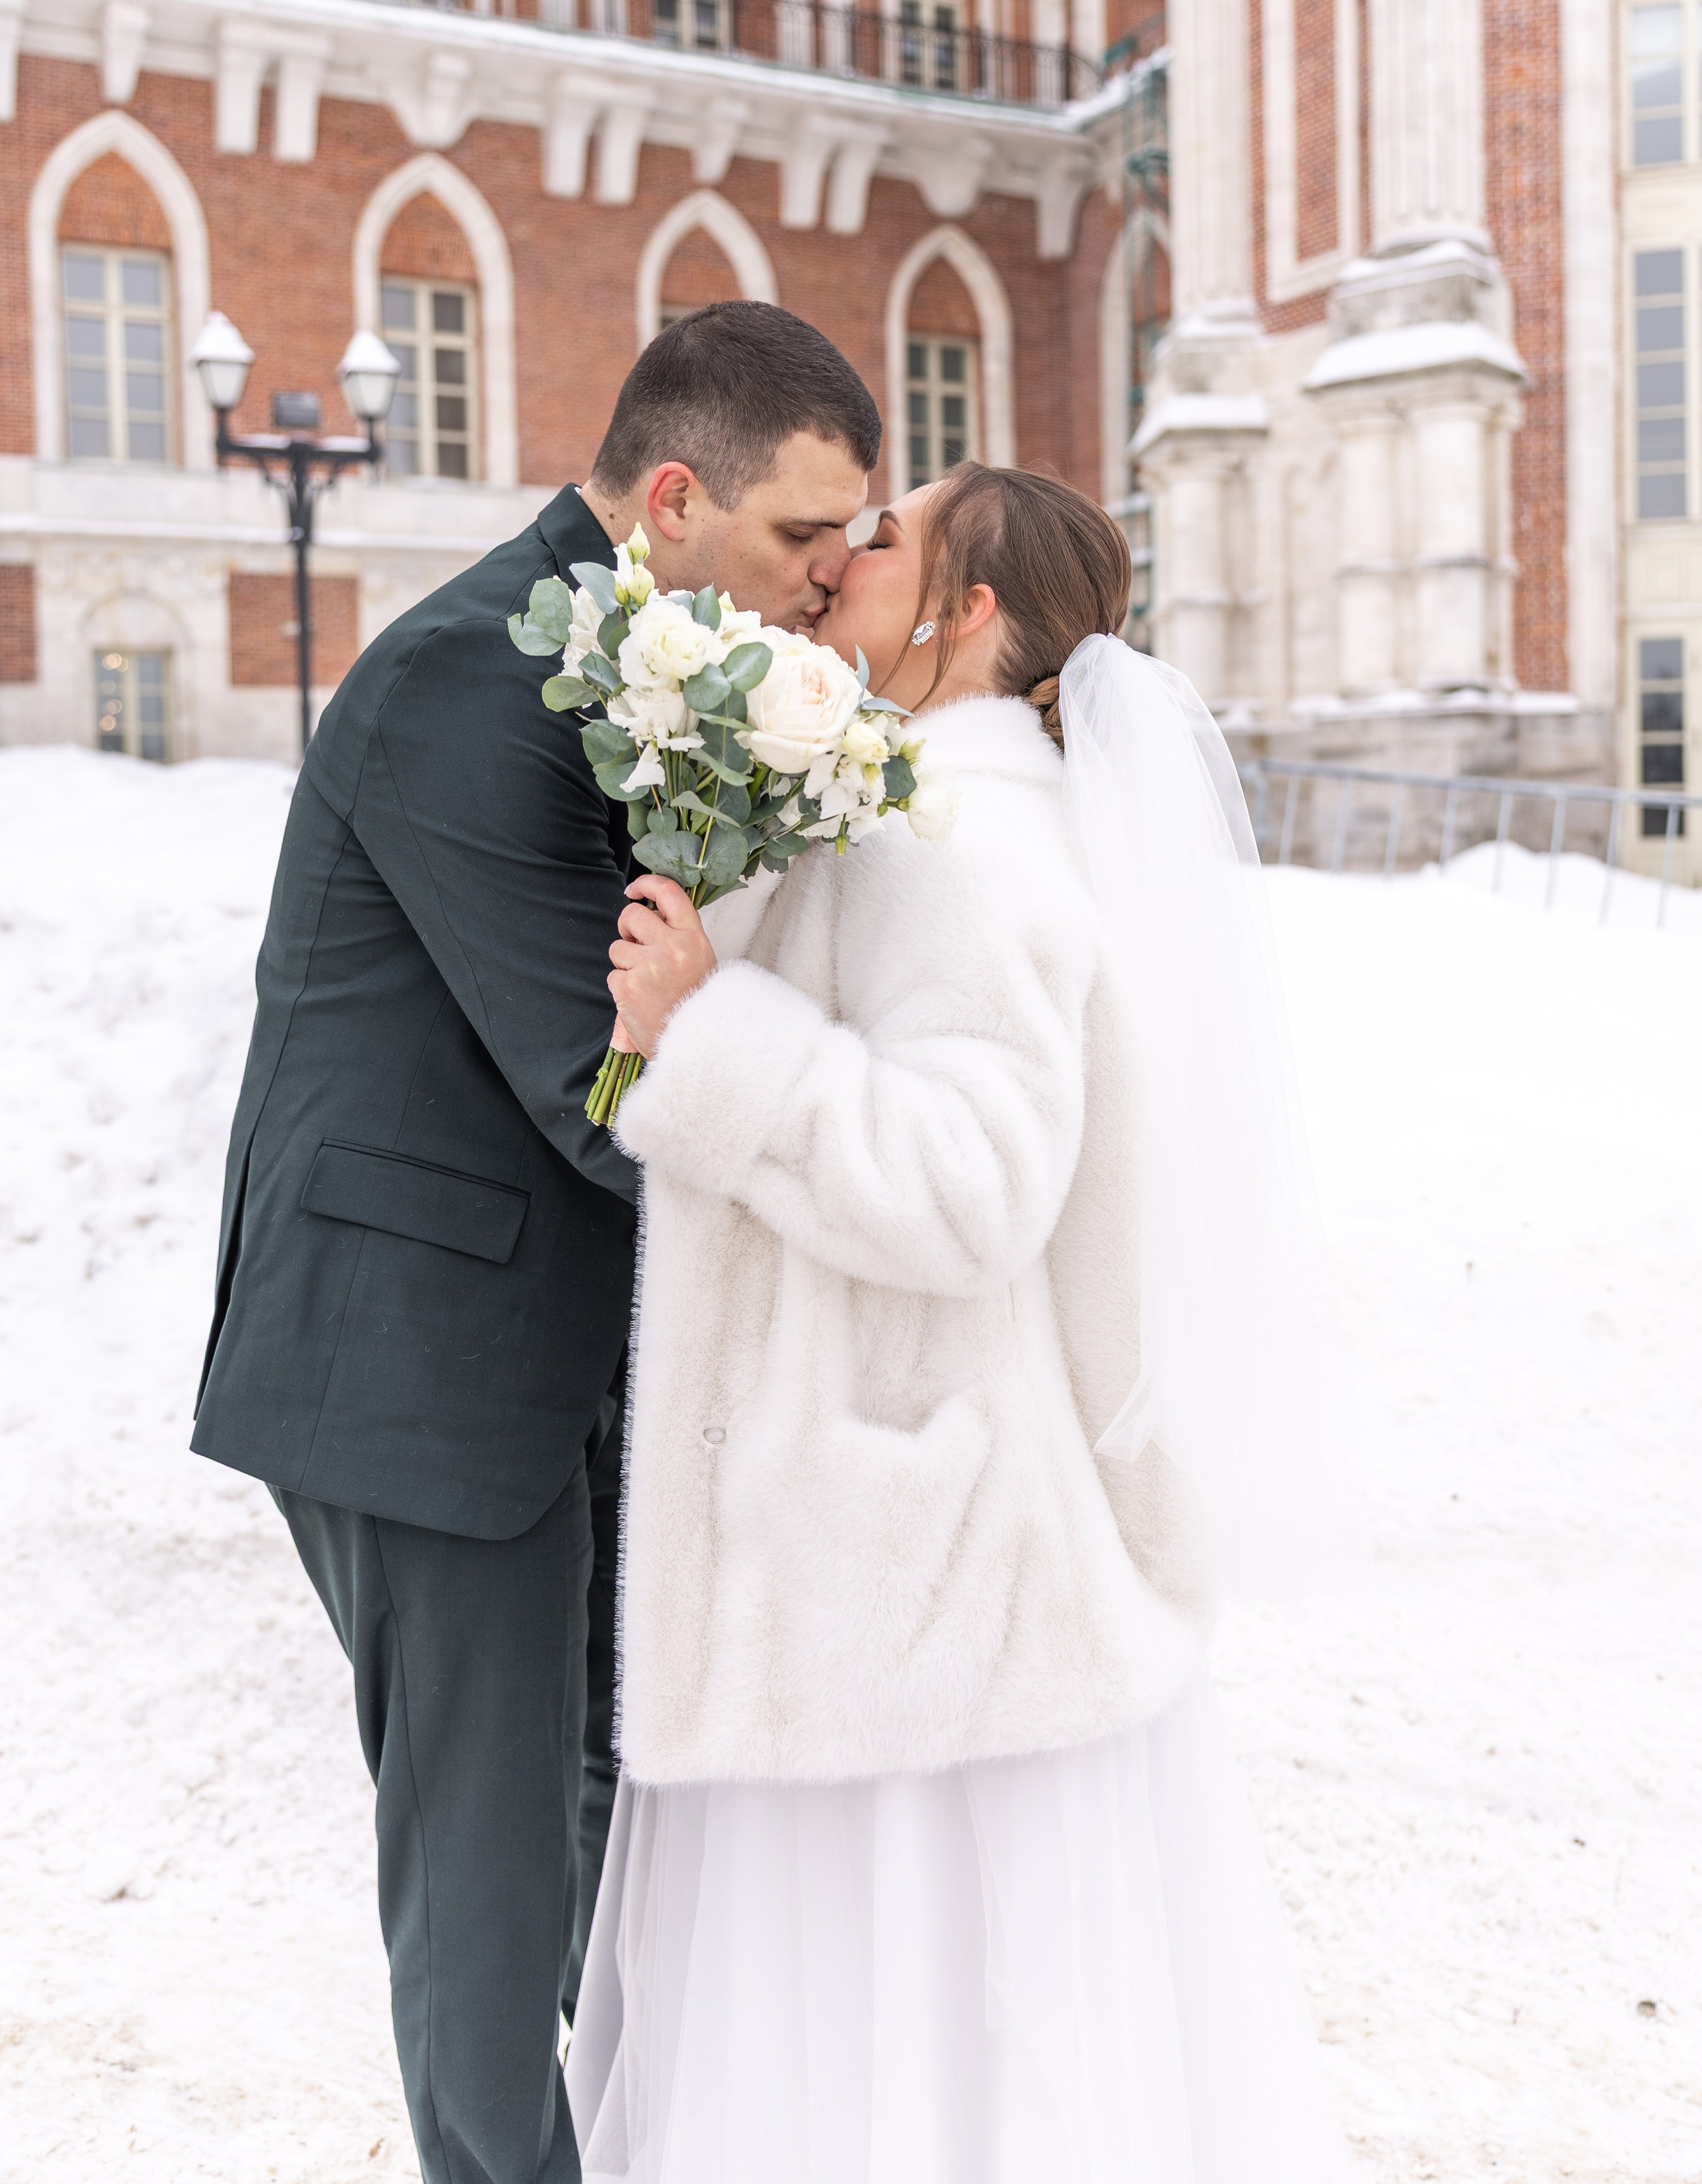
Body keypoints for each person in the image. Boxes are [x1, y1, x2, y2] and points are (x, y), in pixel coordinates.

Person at [568, 462, 1352, 2183]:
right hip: (890, 1560)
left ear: (967, 609)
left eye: (889, 539)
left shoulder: (964, 840)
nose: (844, 559)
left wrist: (714, 1037)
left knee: (884, 2067)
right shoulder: (918, 813)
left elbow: (975, 1182)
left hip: (902, 1586)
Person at [190, 302, 882, 2184]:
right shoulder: (469, 678)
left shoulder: (638, 668)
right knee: (488, 1892)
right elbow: (599, 1081)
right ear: (674, 501)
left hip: (565, 1361)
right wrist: (866, 1220)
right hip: (416, 1364)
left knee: (616, 1828)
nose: (828, 579)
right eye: (800, 535)